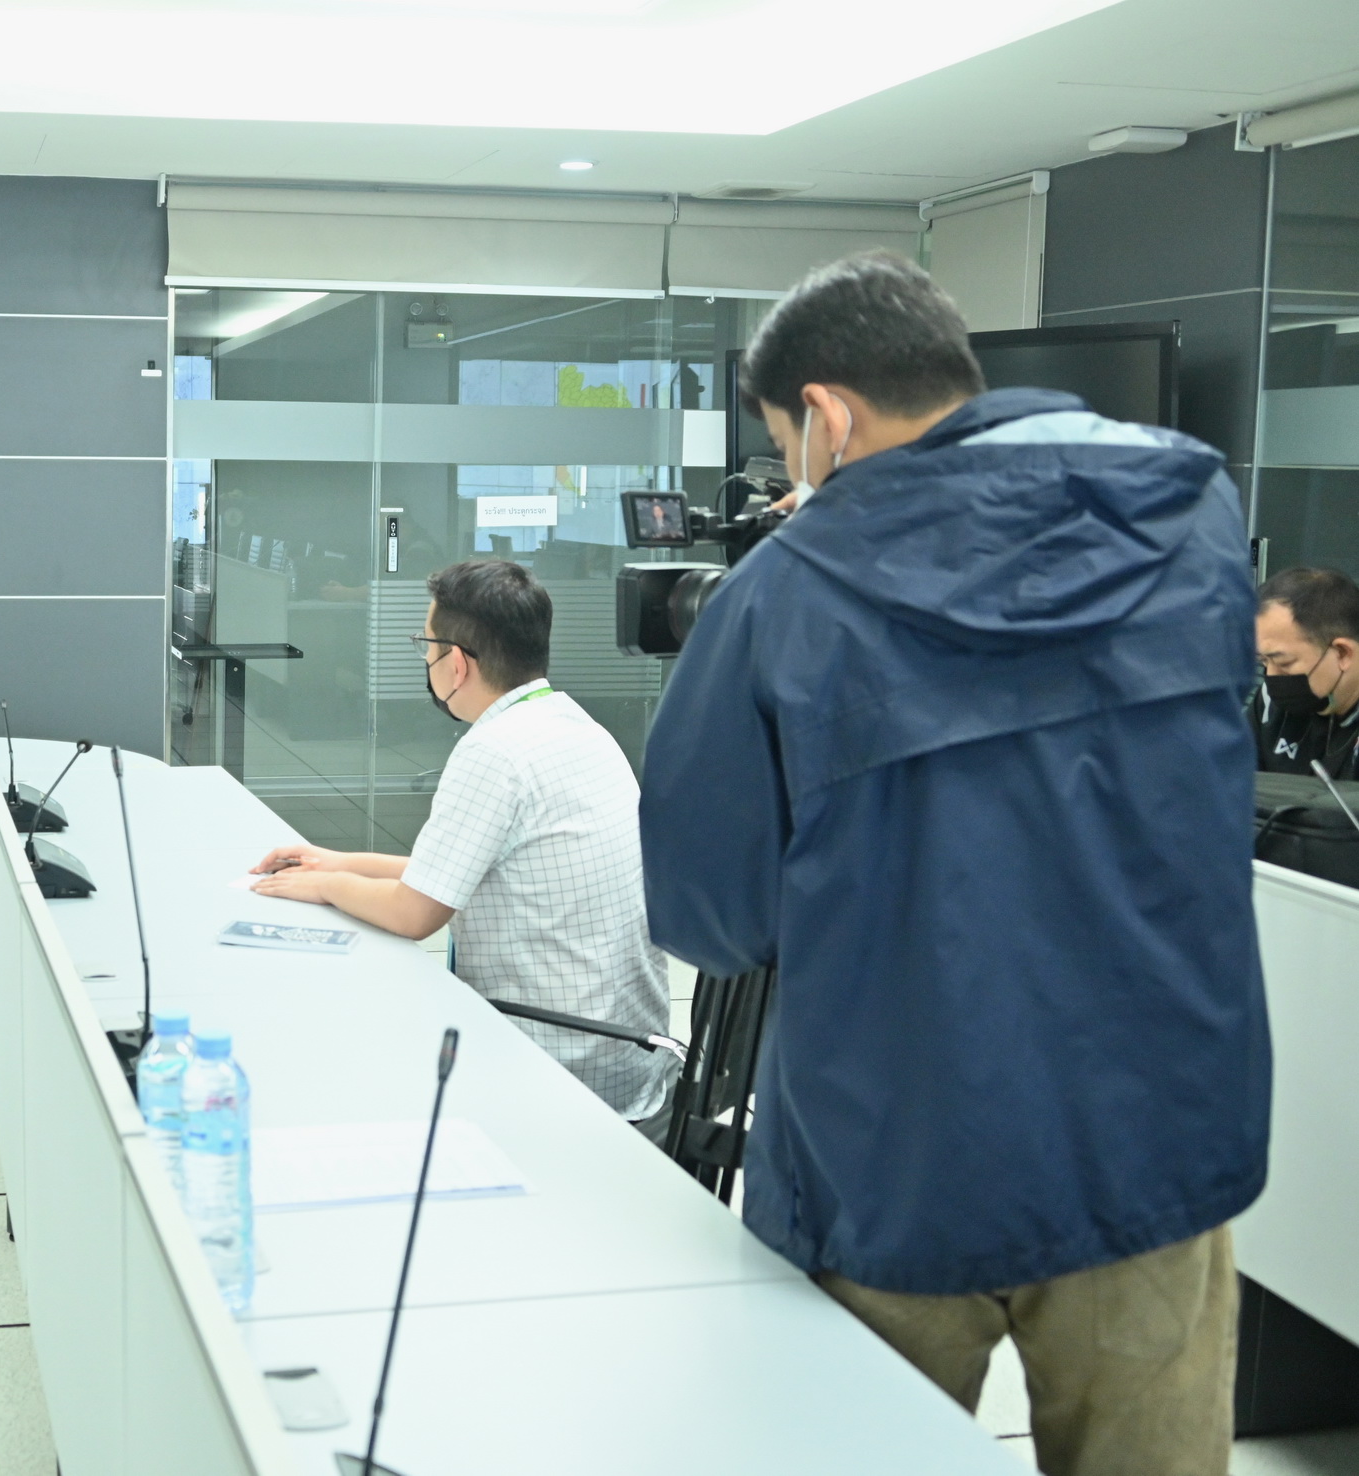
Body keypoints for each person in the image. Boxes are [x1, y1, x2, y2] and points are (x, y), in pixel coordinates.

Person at [639, 252, 1267, 1476]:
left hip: (892, 1154)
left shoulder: (778, 595)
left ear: (824, 415)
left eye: (783, 443)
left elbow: (712, 915)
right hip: (1155, 1137)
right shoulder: (1188, 513)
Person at [248, 558, 674, 1128]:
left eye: (425, 646)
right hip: (626, 1059)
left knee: (334, 1054)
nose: (424, 660)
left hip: (555, 1065)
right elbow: (469, 867)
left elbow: (414, 914)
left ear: (456, 663)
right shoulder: (576, 727)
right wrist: (342, 861)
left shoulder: (494, 752)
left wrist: (328, 886)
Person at [1253, 565, 1359, 779]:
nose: (1271, 676)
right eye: (1263, 660)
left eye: (1284, 662)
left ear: (1342, 653)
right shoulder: (1270, 704)